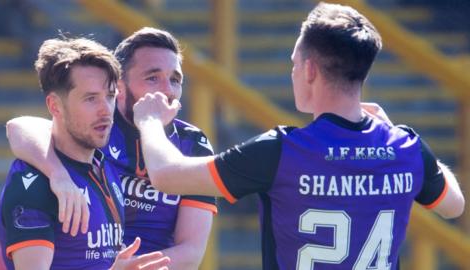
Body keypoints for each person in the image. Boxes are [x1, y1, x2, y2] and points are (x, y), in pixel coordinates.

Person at [130, 2, 465, 270]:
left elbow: (165, 175)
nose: (292, 72)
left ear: (310, 70)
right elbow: (454, 206)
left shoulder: (283, 150)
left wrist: (149, 122)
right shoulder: (406, 147)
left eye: (294, 63)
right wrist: (395, 134)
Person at [6, 27, 216, 269]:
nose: (167, 91)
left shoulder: (192, 144)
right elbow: (20, 128)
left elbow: (190, 254)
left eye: (175, 80)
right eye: (152, 78)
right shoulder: (96, 128)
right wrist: (58, 174)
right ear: (121, 85)